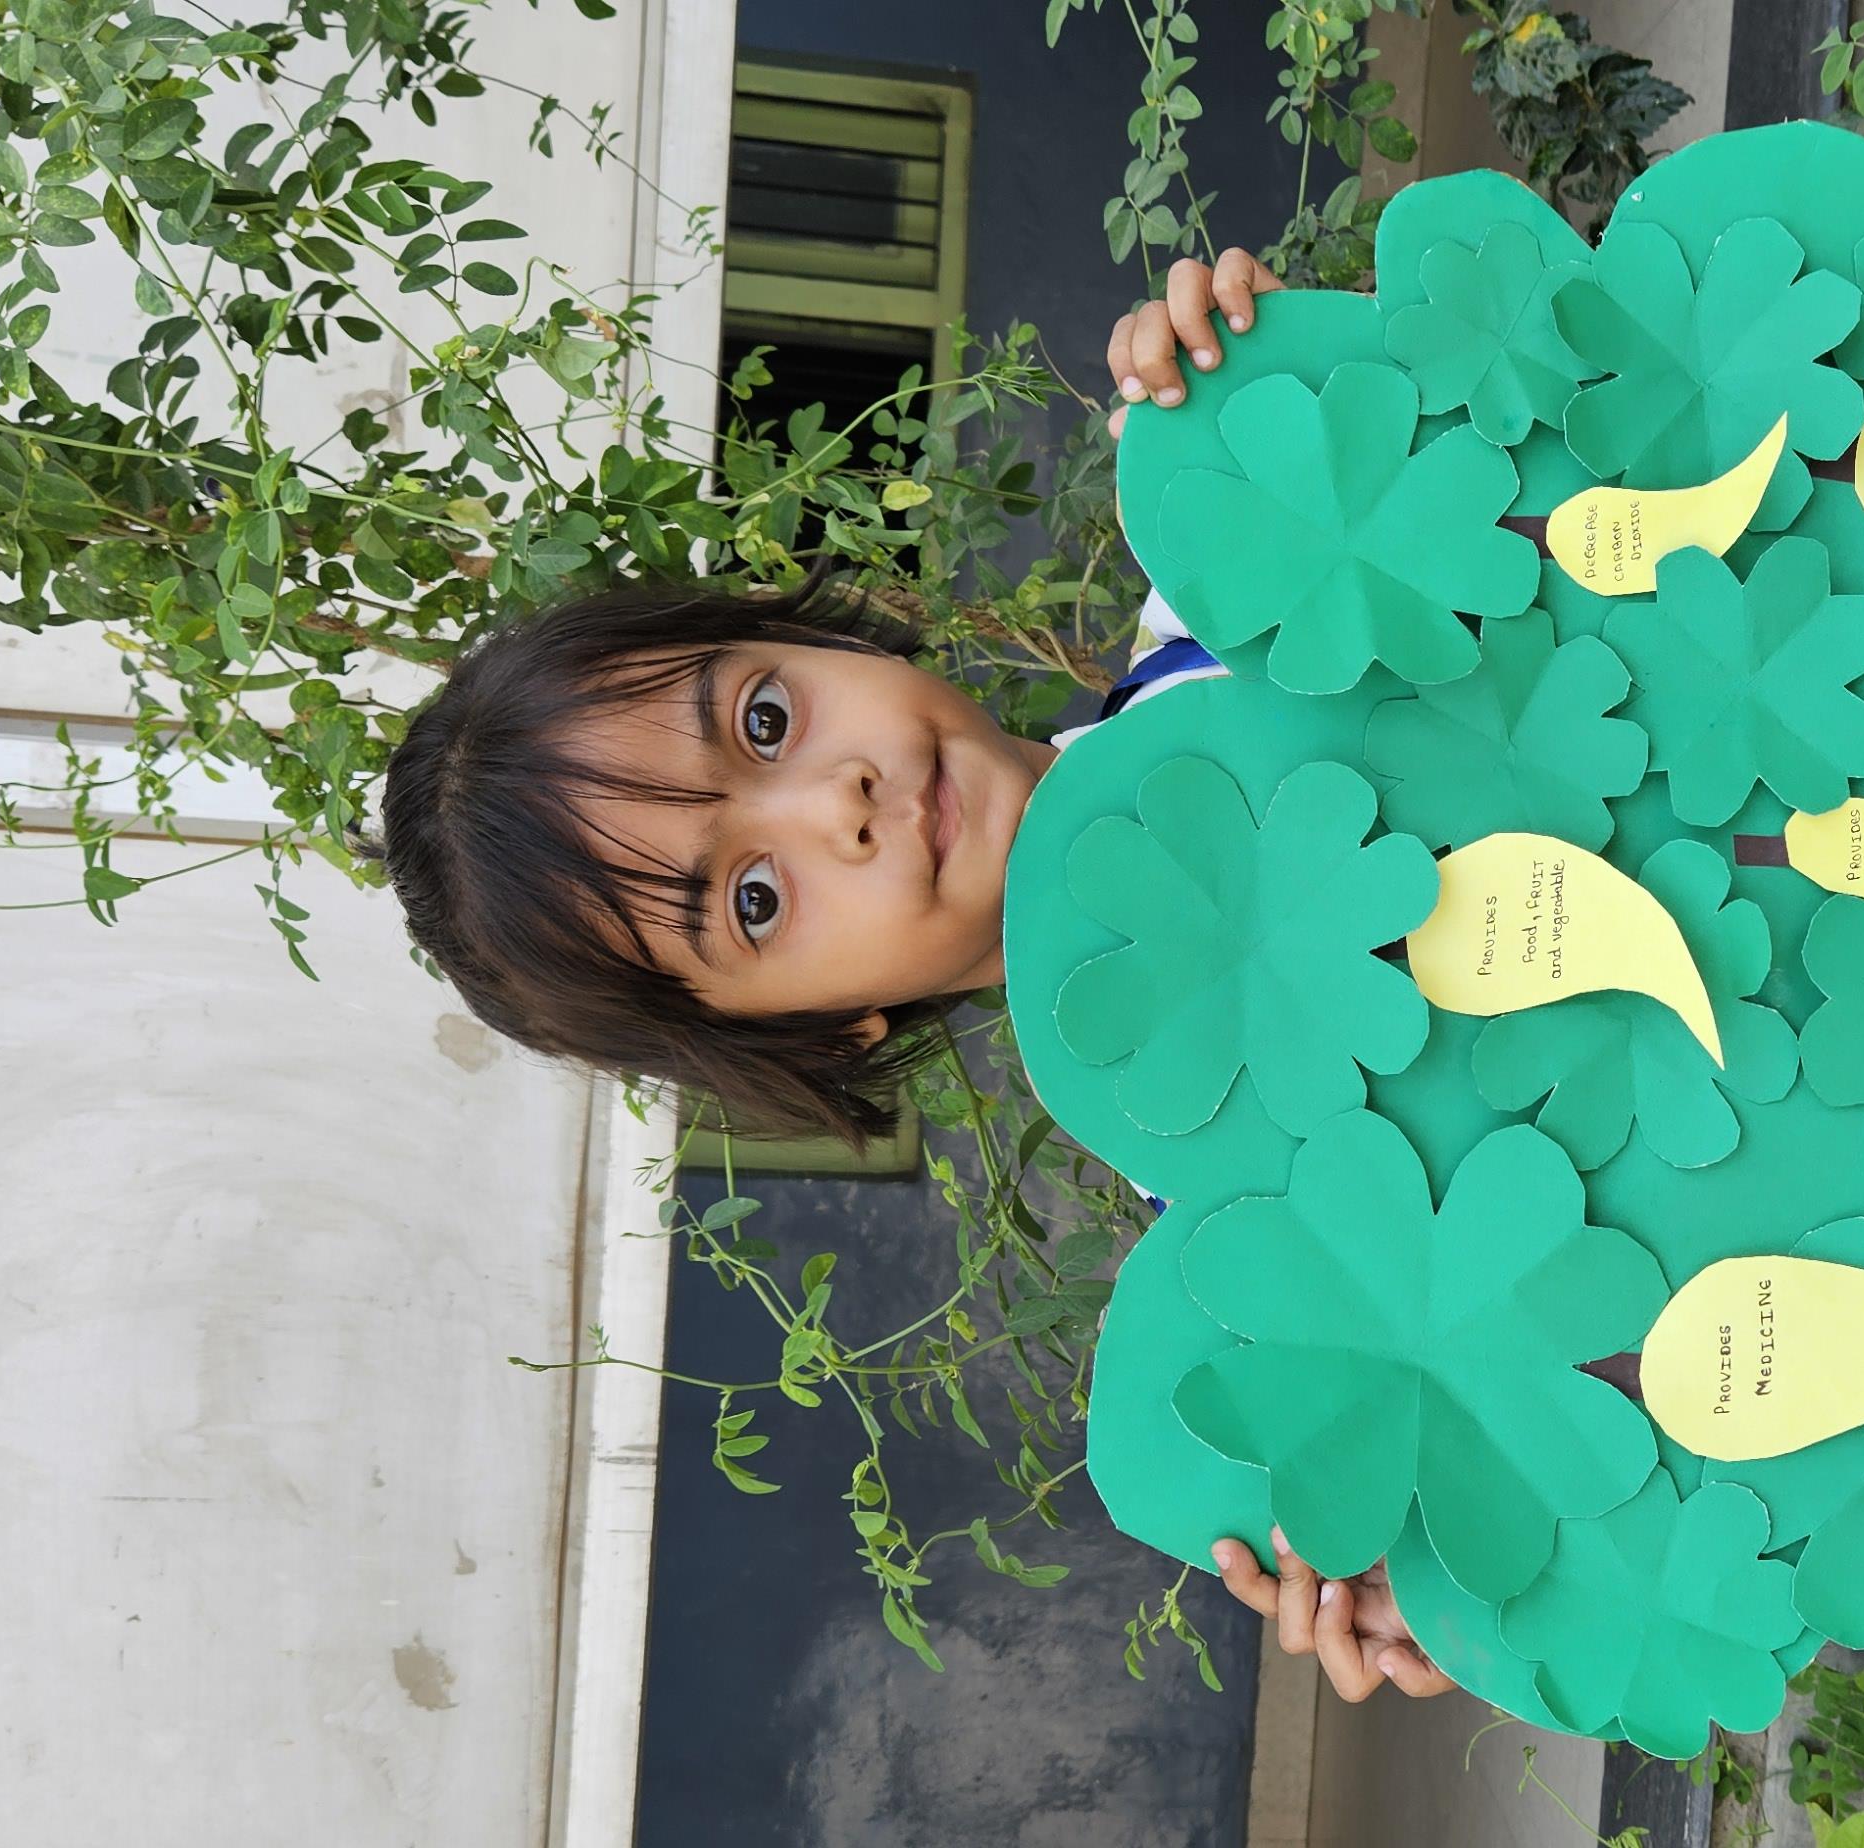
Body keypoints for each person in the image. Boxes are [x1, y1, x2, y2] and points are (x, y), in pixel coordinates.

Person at [367, 250, 1450, 1702]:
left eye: (764, 720)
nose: (839, 802)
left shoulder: (1240, 574)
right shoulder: (1230, 1231)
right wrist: (1432, 1579)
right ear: (826, 1028)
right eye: (754, 900)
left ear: (808, 638)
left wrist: (1271, 372)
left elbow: (1525, 426)